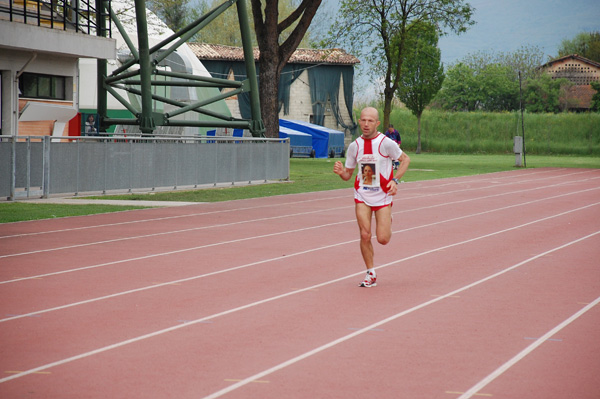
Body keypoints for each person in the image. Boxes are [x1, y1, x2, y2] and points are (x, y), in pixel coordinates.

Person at [333, 107, 410, 287]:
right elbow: (348, 175)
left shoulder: (386, 143)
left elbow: (405, 159)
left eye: (370, 121)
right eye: (363, 120)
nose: (366, 124)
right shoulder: (354, 146)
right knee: (365, 234)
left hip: (383, 195)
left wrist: (395, 180)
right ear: (359, 122)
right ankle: (370, 273)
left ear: (377, 123)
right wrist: (340, 172)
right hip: (362, 194)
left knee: (383, 239)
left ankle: (388, 218)